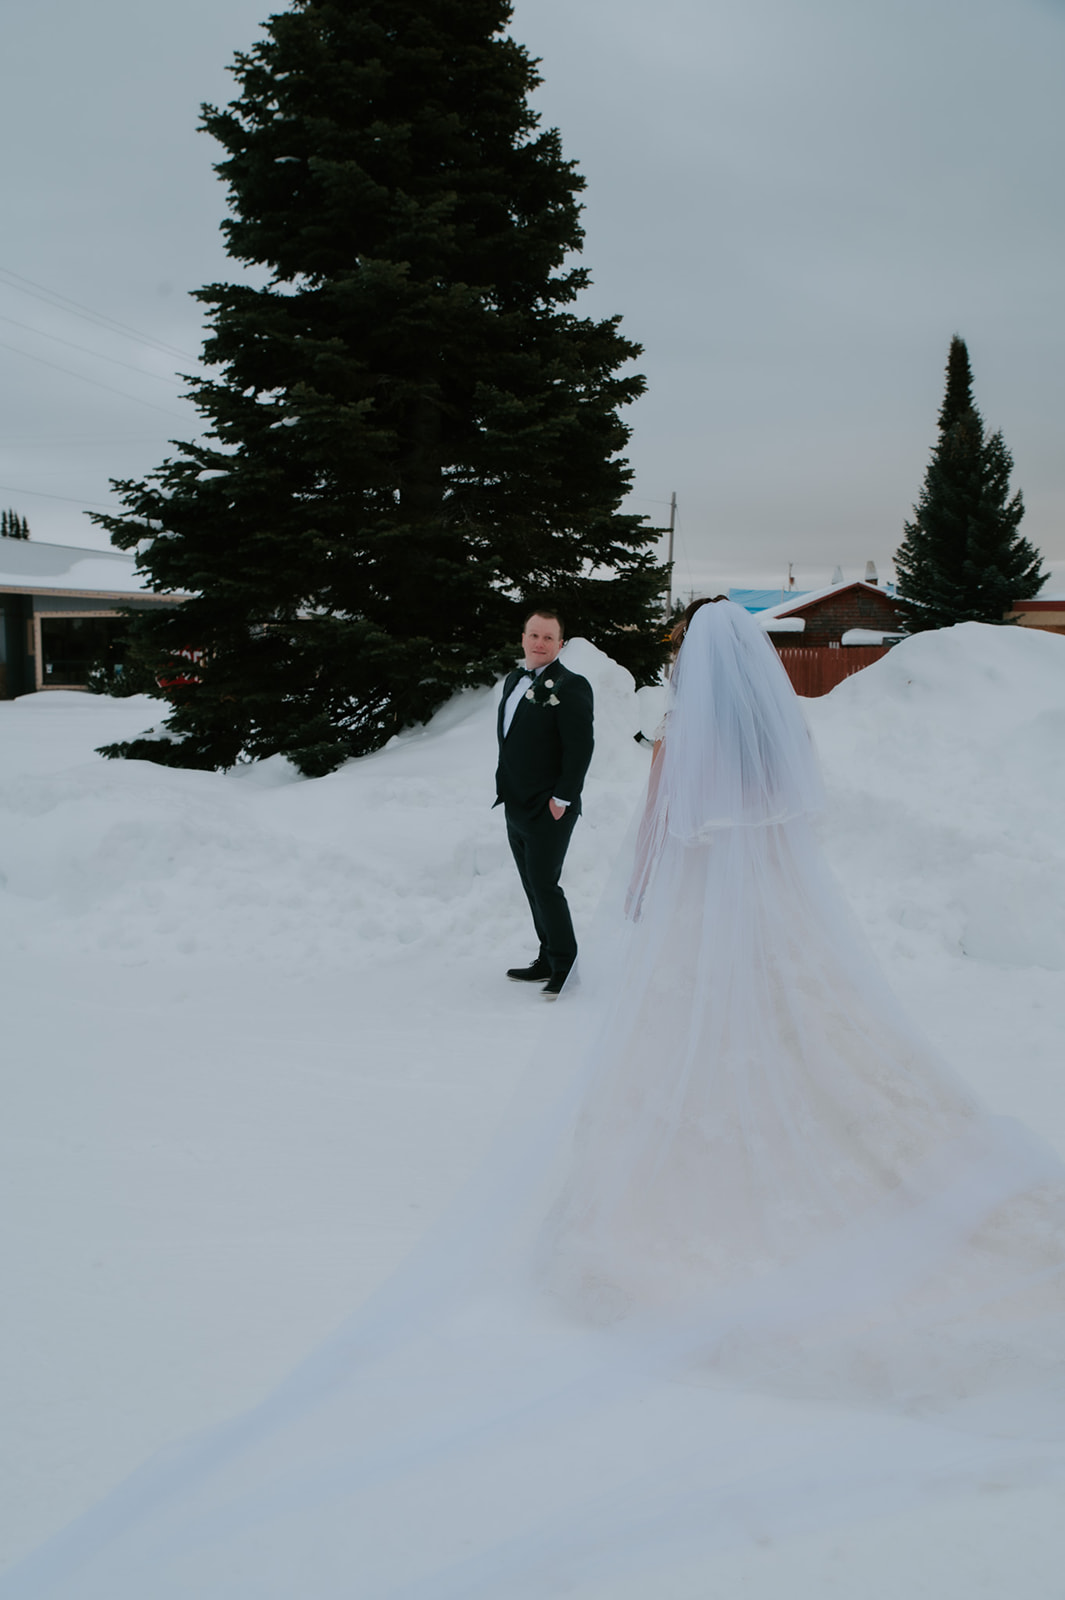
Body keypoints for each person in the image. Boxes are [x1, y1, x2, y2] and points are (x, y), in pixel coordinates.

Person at [6, 600, 1065, 1598]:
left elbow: (660, 845)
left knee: (704, 1061)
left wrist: (645, 900)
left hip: (704, 933)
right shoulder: (776, 745)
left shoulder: (678, 742)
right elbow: (798, 832)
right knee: (822, 1047)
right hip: (783, 935)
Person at [494, 607, 594, 997]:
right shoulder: (513, 681)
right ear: (523, 637)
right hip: (515, 803)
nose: (539, 643)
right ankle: (547, 957)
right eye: (534, 635)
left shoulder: (571, 686)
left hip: (550, 807)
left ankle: (566, 966)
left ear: (560, 644)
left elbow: (580, 747)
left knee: (545, 885)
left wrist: (562, 798)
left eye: (548, 638)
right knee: (531, 886)